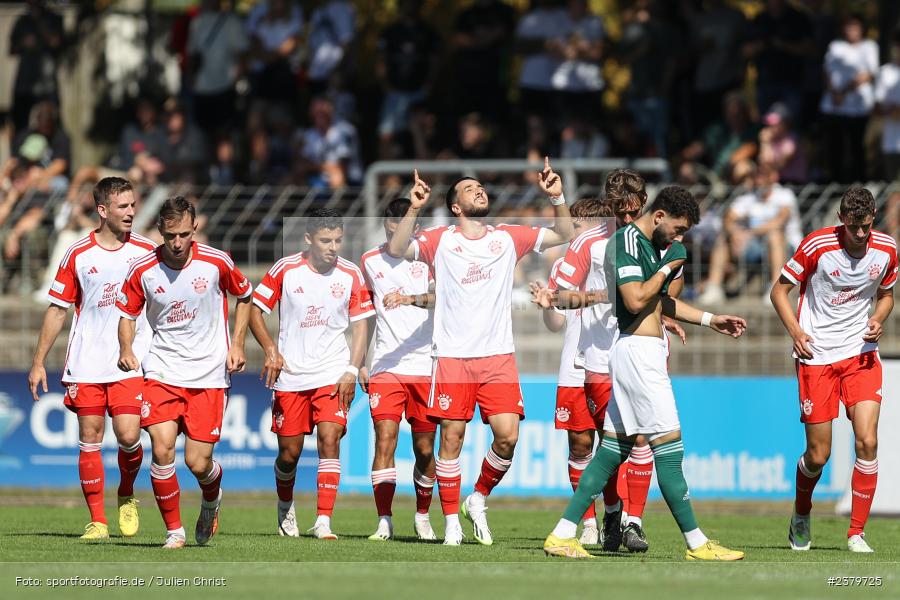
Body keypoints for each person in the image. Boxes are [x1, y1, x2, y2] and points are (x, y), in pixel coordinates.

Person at [543, 185, 747, 561]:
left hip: (638, 352)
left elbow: (659, 302)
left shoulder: (648, 245)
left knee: (611, 450)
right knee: (669, 448)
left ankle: (562, 534)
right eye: (678, 229)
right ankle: (696, 543)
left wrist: (709, 319)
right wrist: (669, 265)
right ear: (659, 216)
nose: (679, 238)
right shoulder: (626, 243)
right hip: (638, 355)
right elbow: (636, 300)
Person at [387, 158, 575, 545]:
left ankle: (477, 497)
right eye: (469, 189)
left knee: (508, 437)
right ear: (456, 206)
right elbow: (397, 247)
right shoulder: (441, 240)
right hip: (452, 357)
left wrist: (557, 196)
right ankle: (451, 524)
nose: (479, 191)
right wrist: (415, 207)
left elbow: (564, 232)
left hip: (497, 357)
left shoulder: (508, 237)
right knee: (451, 439)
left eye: (481, 187)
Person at [116, 196, 253, 549]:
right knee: (162, 450)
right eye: (170, 236)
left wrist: (238, 344)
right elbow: (127, 315)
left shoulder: (216, 262)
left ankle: (212, 497)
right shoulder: (143, 270)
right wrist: (126, 348)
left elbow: (245, 296)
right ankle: (174, 532)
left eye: (184, 235)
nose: (177, 243)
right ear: (160, 230)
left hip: (209, 375)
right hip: (162, 371)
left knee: (197, 462)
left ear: (195, 228)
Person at [27, 177, 155, 540]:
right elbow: (58, 309)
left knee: (129, 436)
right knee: (90, 436)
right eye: (123, 206)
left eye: (133, 205)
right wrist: (38, 361)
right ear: (102, 210)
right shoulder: (78, 254)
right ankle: (98, 521)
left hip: (131, 359)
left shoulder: (148, 252)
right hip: (87, 361)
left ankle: (126, 493)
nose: (131, 212)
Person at [771, 187, 897, 554]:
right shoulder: (817, 245)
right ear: (841, 219)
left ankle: (856, 532)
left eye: (866, 226)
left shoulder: (887, 248)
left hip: (860, 355)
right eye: (853, 226)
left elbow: (887, 296)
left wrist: (878, 318)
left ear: (874, 218)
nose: (860, 234)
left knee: (867, 441)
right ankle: (801, 513)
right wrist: (796, 333)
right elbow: (779, 292)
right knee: (818, 455)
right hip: (817, 357)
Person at [249, 207, 372, 540]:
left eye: (338, 240)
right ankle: (285, 505)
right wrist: (271, 350)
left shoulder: (350, 273)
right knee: (289, 455)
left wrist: (351, 368)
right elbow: (255, 311)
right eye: (325, 240)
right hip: (291, 377)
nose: (333, 247)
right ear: (308, 239)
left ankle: (323, 521)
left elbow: (361, 325)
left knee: (329, 439)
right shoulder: (286, 269)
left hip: (333, 371)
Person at [358, 198, 438, 541]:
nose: (395, 239)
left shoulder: (430, 258)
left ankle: (422, 515)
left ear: (415, 229)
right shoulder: (369, 261)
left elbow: (444, 299)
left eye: (401, 232)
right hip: (386, 366)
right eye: (390, 231)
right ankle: (384, 520)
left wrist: (409, 299)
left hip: (426, 365)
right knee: (384, 440)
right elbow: (365, 315)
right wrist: (360, 362)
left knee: (424, 449)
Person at [699, 161, 802, 304]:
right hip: (755, 247)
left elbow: (780, 221)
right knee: (723, 238)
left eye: (762, 176)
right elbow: (728, 219)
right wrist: (734, 232)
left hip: (787, 247)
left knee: (774, 235)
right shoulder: (749, 198)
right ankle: (714, 288)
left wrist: (749, 232)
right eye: (756, 176)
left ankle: (776, 289)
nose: (758, 180)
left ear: (773, 177)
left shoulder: (784, 195)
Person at [820, 14, 878, 182]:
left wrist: (844, 92)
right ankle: (836, 183)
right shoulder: (835, 46)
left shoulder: (869, 46)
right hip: (834, 106)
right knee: (835, 147)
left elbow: (869, 74)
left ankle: (860, 183)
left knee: (857, 146)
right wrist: (834, 92)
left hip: (858, 107)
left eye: (855, 27)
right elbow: (826, 71)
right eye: (848, 26)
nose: (851, 31)